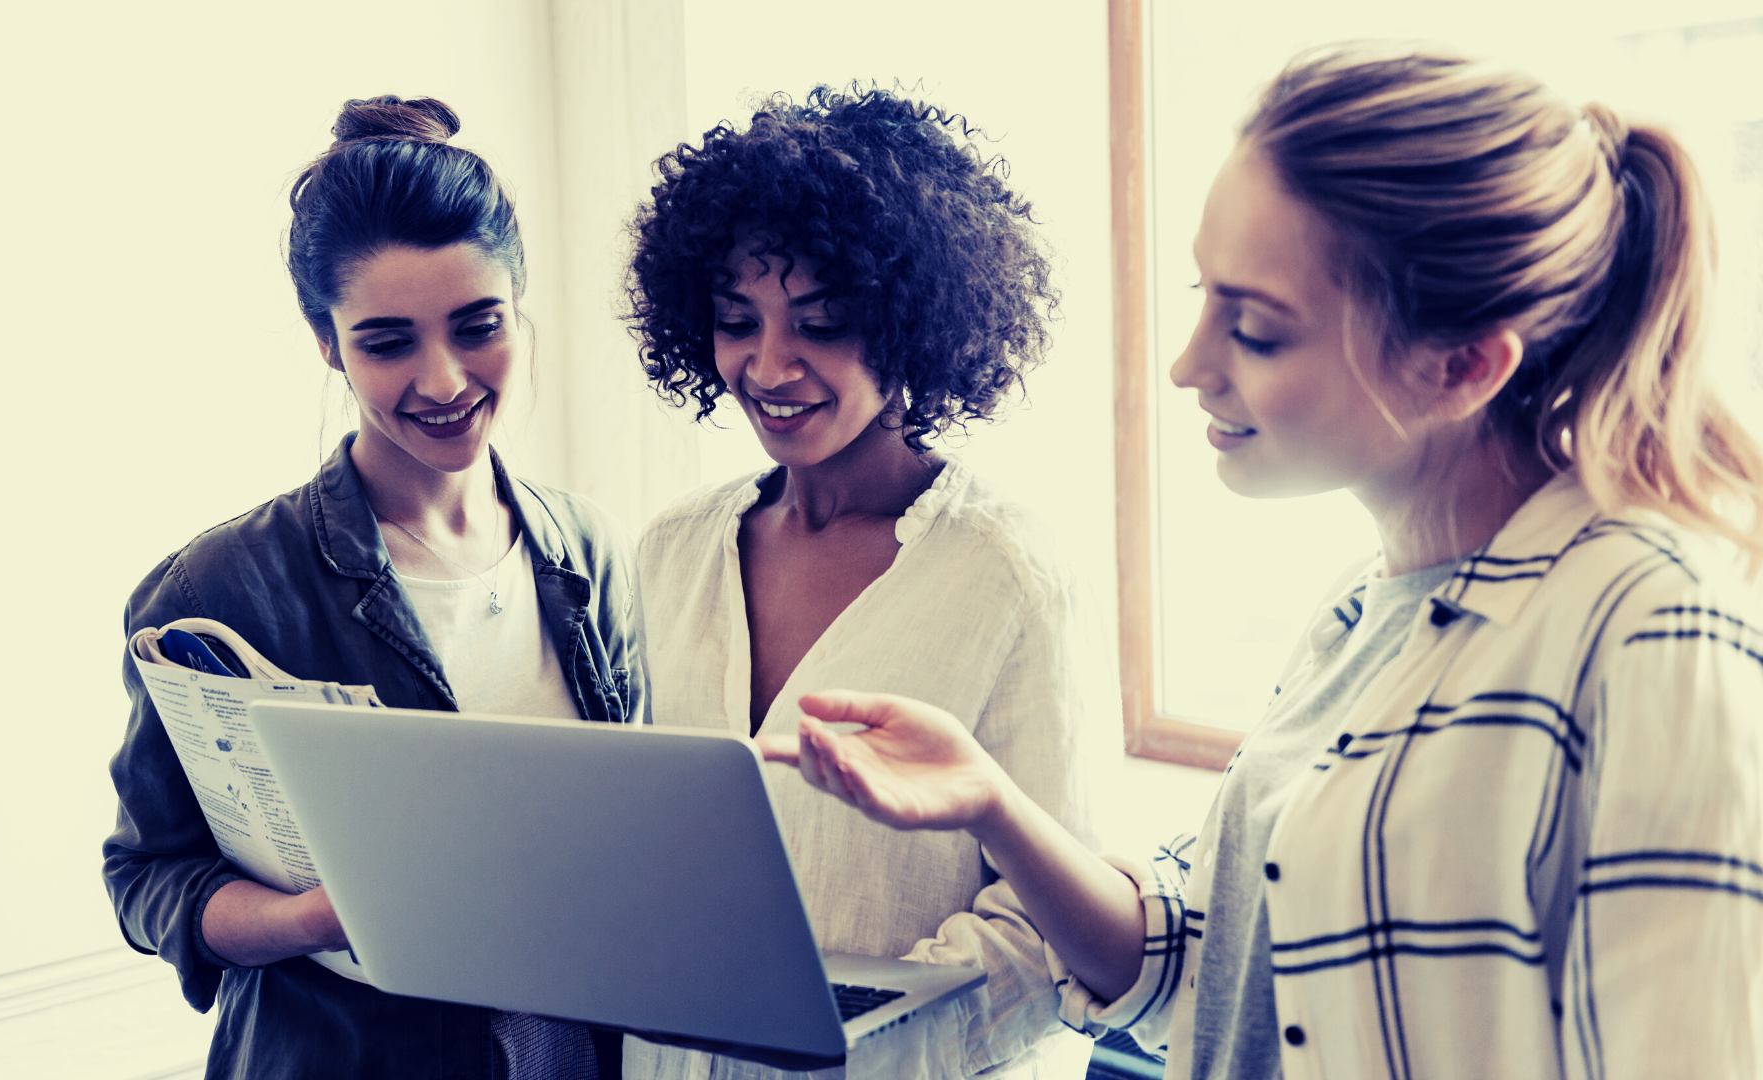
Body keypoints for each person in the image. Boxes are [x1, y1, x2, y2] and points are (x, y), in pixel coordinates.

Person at [760, 46, 1763, 1080]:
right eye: (1205, 298)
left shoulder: (1652, 633)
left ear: (1464, 366)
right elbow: (1211, 972)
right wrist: (993, 806)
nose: (1188, 364)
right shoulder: (1364, 610)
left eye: (1255, 330)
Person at [103, 96, 642, 1080]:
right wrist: (315, 919)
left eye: (478, 326)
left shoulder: (590, 551)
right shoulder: (214, 589)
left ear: (519, 303)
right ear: (326, 340)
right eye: (388, 342)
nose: (444, 382)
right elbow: (148, 877)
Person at [623, 85, 1119, 1080]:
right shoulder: (673, 549)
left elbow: (1049, 927)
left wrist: (841, 1034)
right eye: (737, 320)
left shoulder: (1006, 573)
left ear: (908, 326)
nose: (770, 366)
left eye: (820, 323)